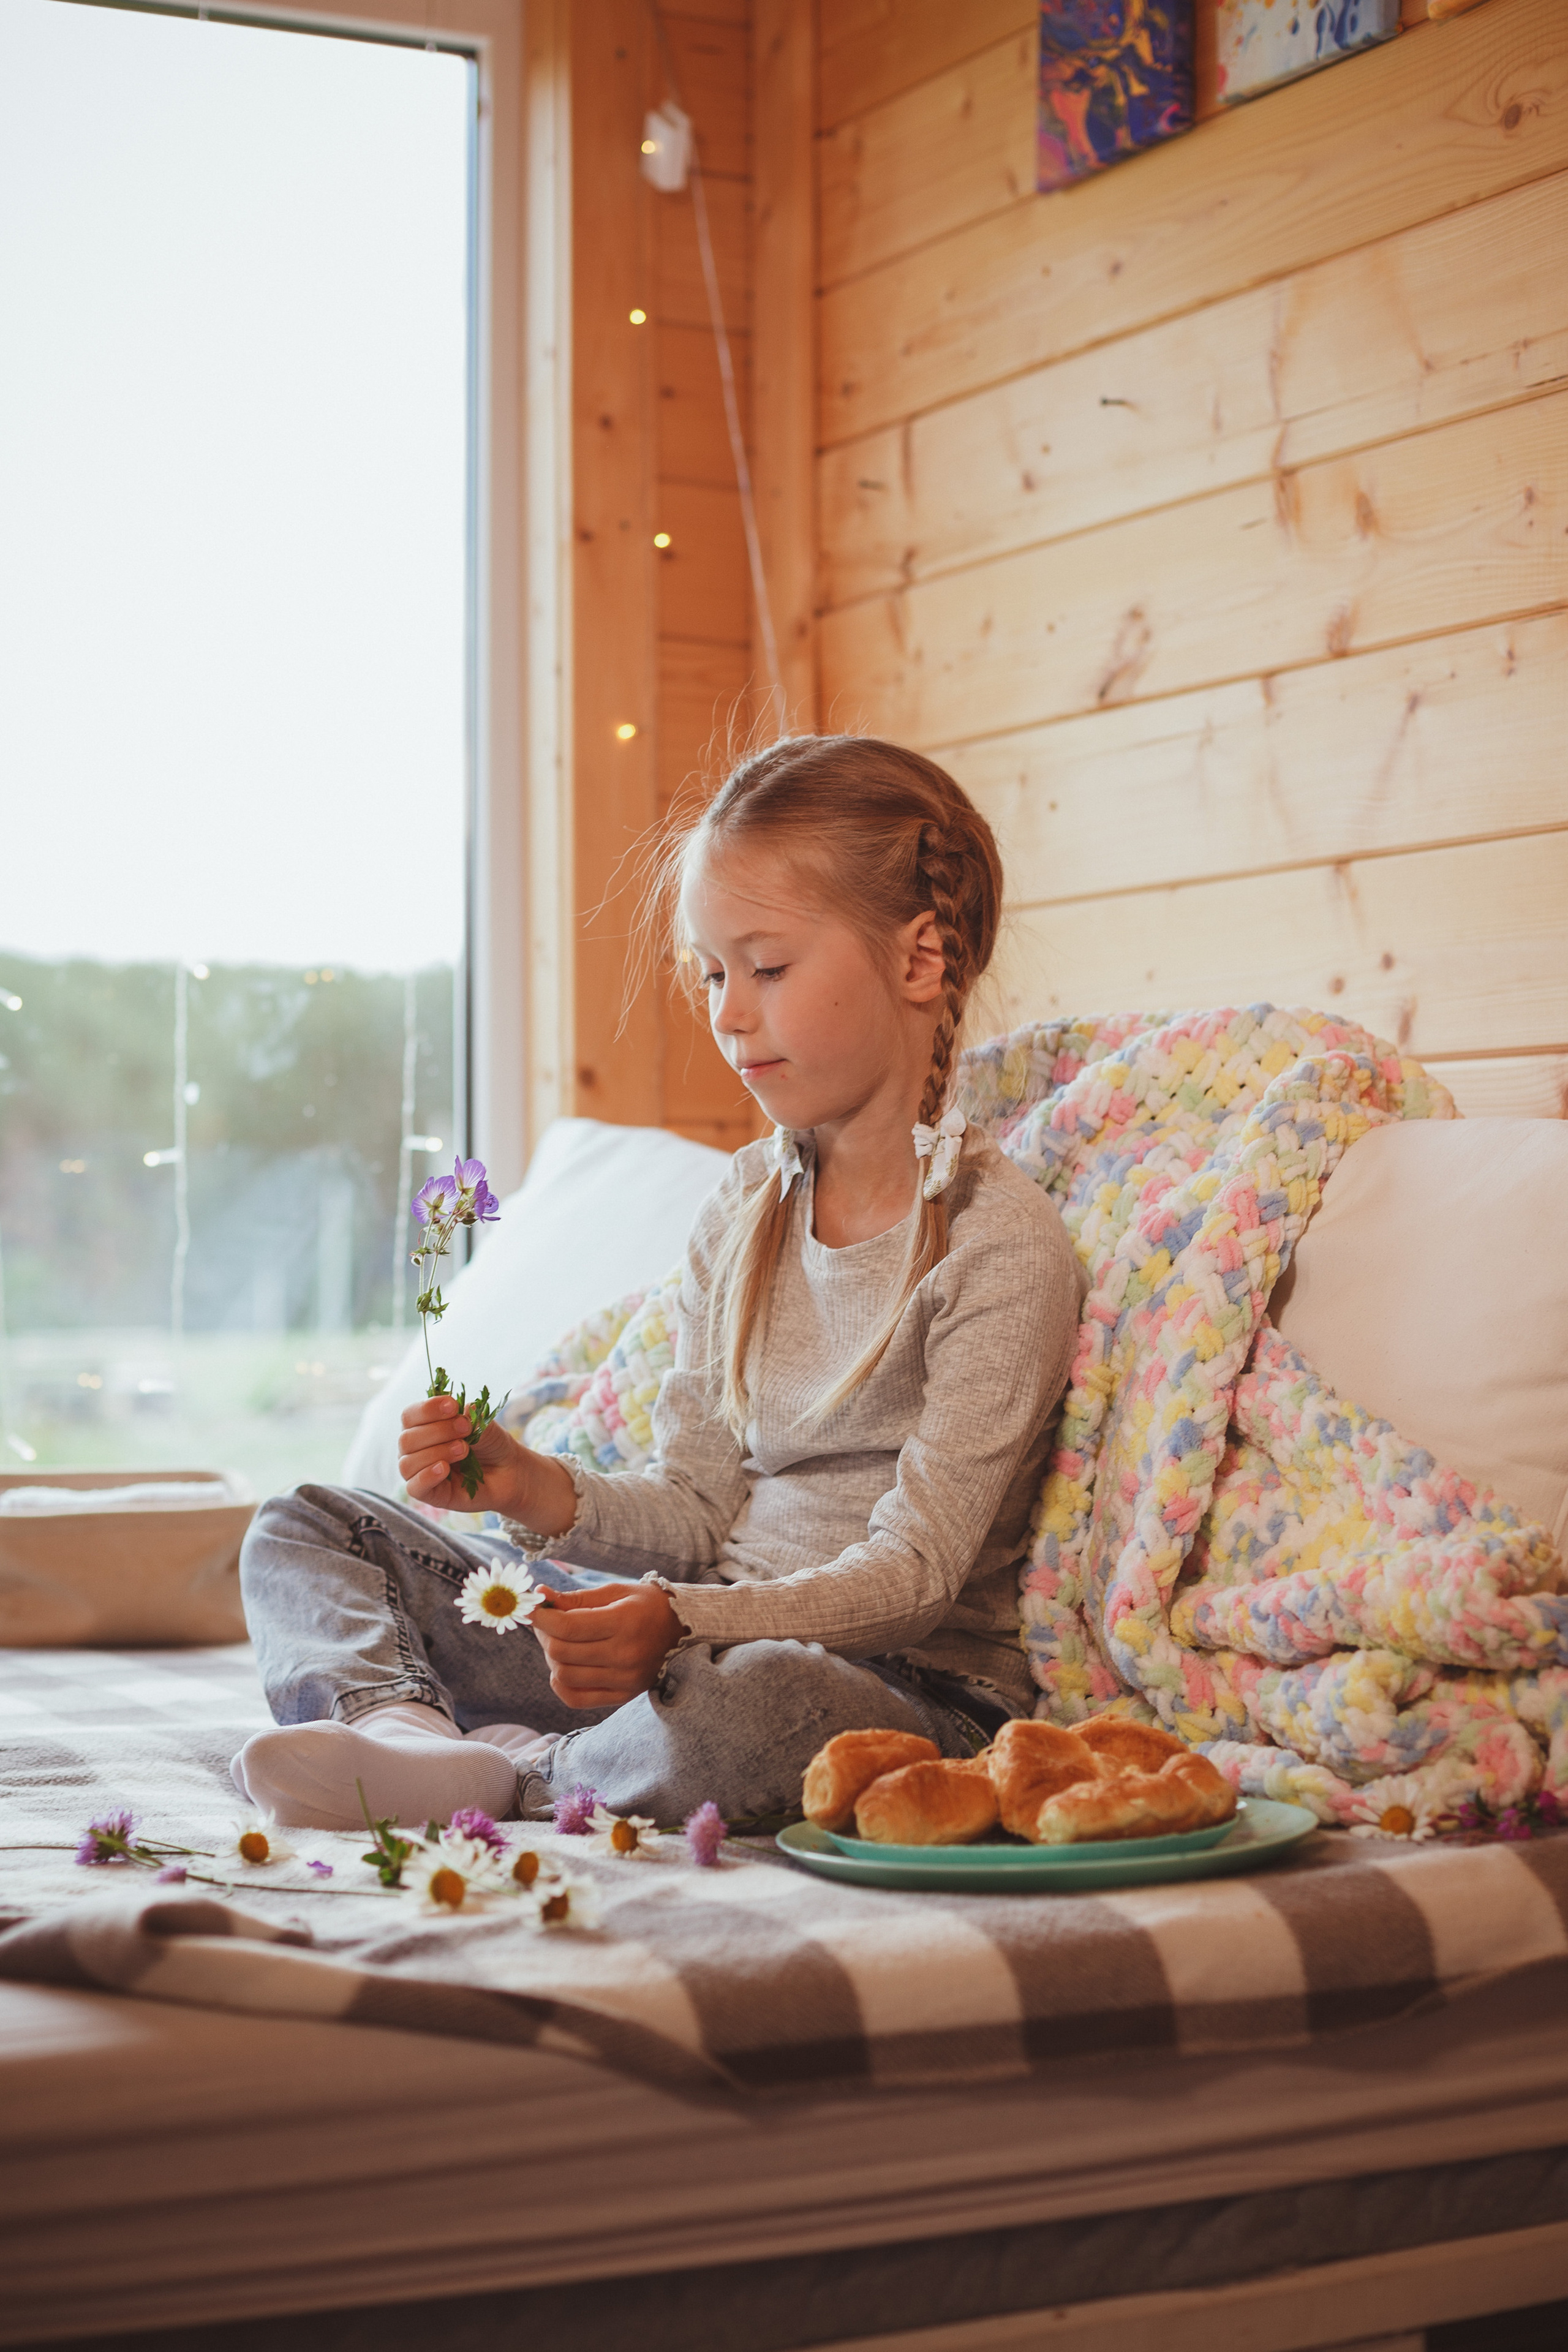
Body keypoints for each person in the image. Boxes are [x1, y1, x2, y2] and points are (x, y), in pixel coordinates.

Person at [233, 735, 1084, 1831]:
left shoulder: (997, 1246)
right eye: (714, 973)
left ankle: (516, 1776)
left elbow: (918, 1575)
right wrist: (532, 1490)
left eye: (767, 968)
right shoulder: (744, 1208)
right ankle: (401, 1730)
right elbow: (693, 1508)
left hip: (891, 1687)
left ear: (921, 961)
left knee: (757, 1705)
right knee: (308, 1526)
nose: (729, 1014)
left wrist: (682, 1624)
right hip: (687, 1635)